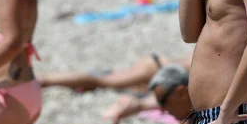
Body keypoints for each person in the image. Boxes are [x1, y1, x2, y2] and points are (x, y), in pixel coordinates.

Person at [40, 47, 193, 93]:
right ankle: (44, 80)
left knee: (106, 80)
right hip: (156, 69)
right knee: (102, 82)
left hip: (157, 64)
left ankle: (49, 80)